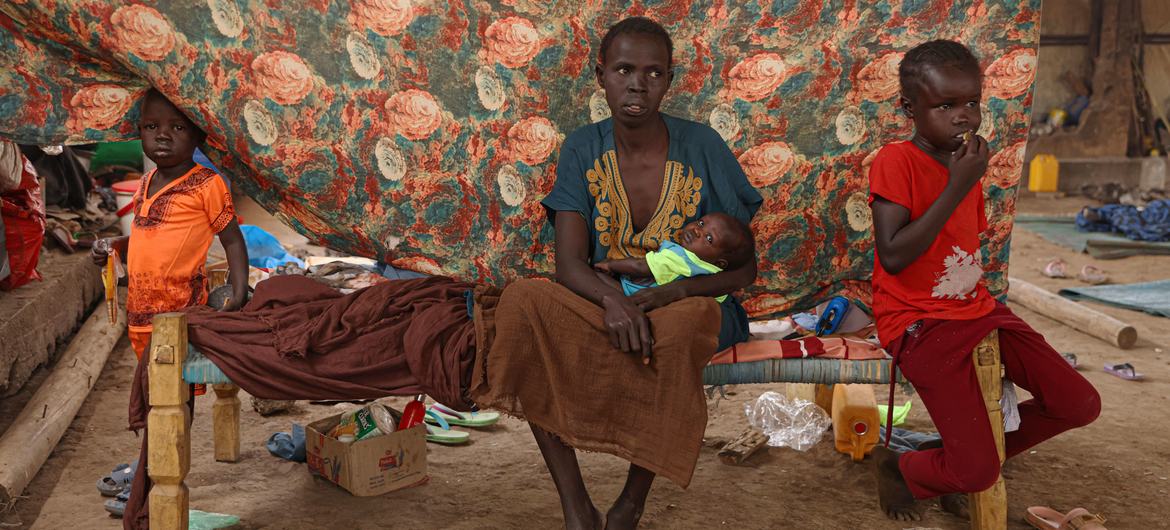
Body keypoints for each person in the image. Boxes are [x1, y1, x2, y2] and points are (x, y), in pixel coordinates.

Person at [531, 16, 763, 529]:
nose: (637, 84)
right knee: (524, 308)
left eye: (653, 73)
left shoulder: (702, 147)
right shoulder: (582, 148)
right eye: (624, 69)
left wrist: (674, 291)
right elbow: (568, 263)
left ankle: (630, 503)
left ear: (670, 80)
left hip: (688, 304)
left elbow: (744, 269)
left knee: (678, 334)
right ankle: (577, 509)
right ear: (601, 76)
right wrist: (612, 302)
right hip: (604, 298)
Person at [867, 40, 1100, 522]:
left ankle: (944, 458)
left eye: (972, 102)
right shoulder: (897, 161)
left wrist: (963, 178)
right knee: (977, 474)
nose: (963, 116)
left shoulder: (967, 160)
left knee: (1079, 403)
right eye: (945, 105)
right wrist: (958, 183)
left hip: (977, 308)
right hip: (919, 320)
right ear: (909, 108)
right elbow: (893, 256)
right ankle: (902, 469)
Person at [89, 88, 249, 515]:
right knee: (154, 397)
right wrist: (112, 247)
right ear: (139, 131)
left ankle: (153, 478)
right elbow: (139, 237)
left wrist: (238, 288)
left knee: (173, 403)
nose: (163, 136)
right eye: (152, 127)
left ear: (197, 136)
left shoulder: (207, 184)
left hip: (177, 316)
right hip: (141, 316)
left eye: (177, 128)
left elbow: (232, 239)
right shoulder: (145, 183)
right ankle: (147, 463)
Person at [593, 212, 754, 305]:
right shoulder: (715, 274)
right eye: (701, 222)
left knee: (596, 278)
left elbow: (641, 266)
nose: (698, 231)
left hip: (637, 294)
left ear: (720, 262)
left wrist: (612, 265)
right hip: (672, 307)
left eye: (709, 238)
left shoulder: (681, 258)